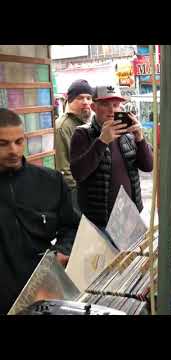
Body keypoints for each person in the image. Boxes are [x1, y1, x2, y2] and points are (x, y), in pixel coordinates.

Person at [0, 108, 79, 314]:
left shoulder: (51, 181)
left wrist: (63, 251)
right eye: (3, 144)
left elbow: (71, 227)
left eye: (19, 141)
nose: (14, 151)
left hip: (42, 296)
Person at [70, 86, 154, 229]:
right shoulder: (82, 134)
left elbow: (148, 166)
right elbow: (78, 173)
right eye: (105, 105)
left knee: (132, 252)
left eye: (115, 105)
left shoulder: (127, 134)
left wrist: (140, 138)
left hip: (130, 216)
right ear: (94, 107)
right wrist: (102, 141)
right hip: (99, 222)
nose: (112, 110)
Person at [55, 80, 94, 213]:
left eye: (89, 98)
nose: (86, 102)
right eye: (80, 98)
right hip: (75, 193)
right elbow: (63, 167)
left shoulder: (90, 123)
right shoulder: (63, 126)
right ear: (70, 100)